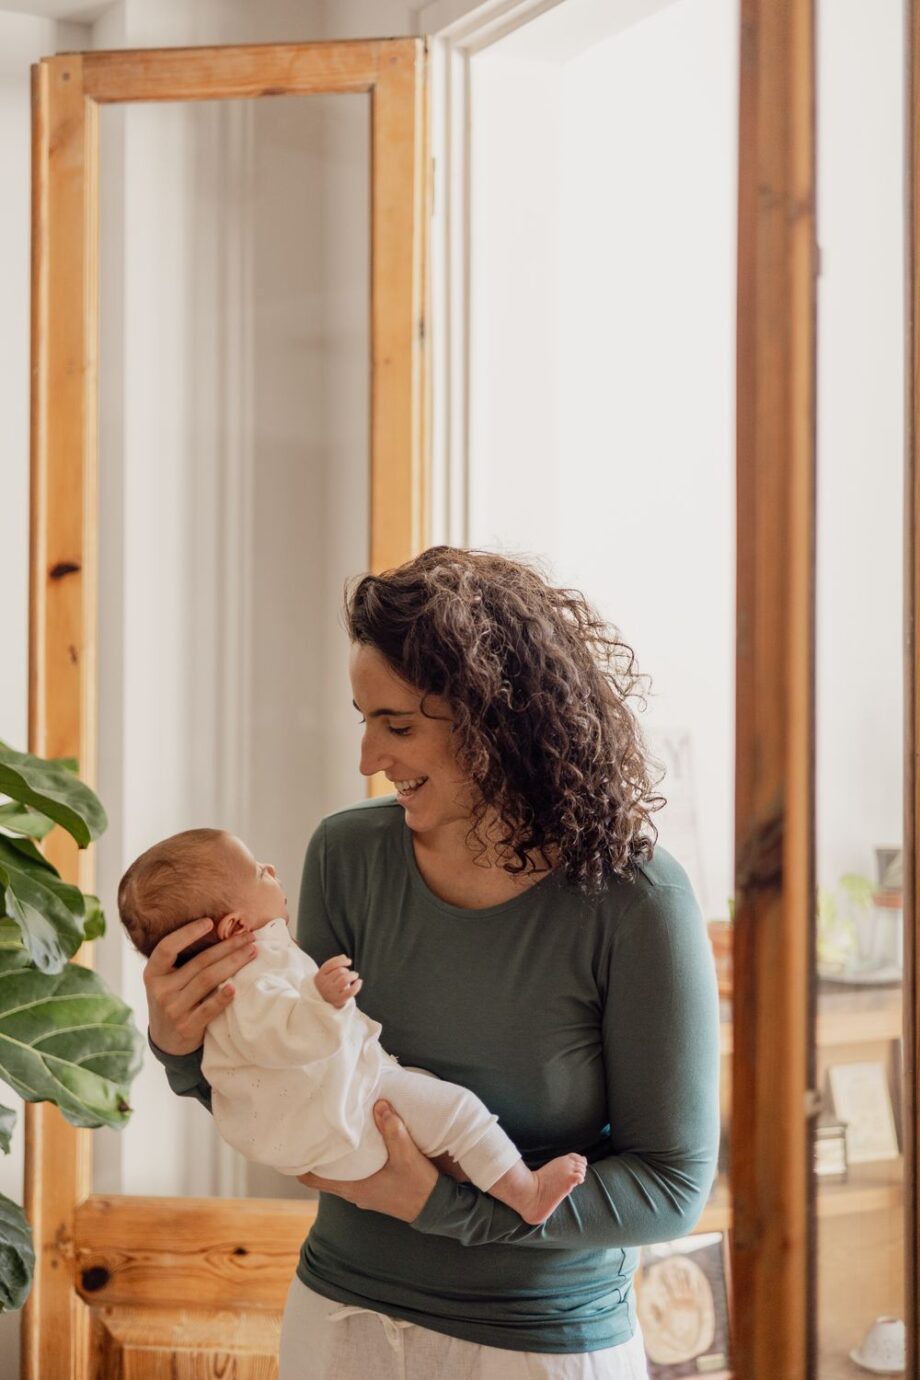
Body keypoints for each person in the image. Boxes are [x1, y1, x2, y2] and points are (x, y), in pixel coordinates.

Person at [144, 546, 721, 1380]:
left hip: (540, 1346)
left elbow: (670, 1188)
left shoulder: (636, 901)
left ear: (498, 717)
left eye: (400, 725)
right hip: (339, 1316)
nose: (368, 758)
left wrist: (445, 1208)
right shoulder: (346, 855)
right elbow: (294, 1081)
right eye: (364, 719)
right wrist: (180, 1044)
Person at [118, 827, 587, 1221]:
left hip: (343, 1110)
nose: (273, 872)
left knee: (426, 1094)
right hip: (349, 1107)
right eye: (260, 871)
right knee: (459, 1111)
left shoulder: (248, 971)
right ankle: (527, 1193)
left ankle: (475, 1167)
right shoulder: (252, 979)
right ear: (235, 927)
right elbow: (284, 1036)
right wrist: (323, 1001)